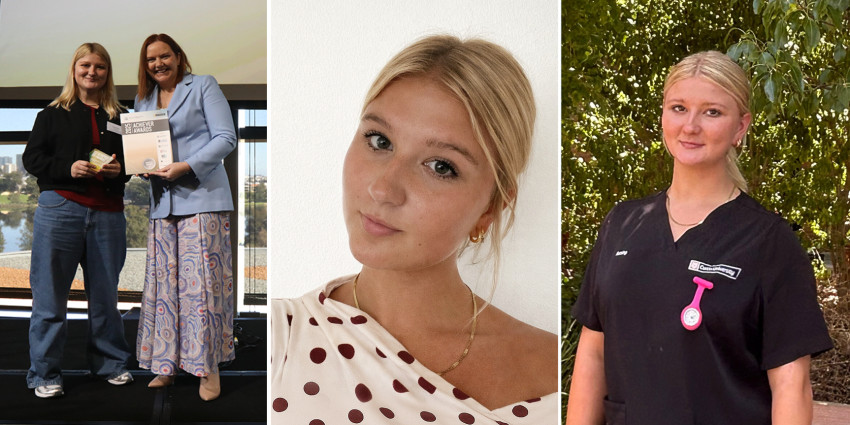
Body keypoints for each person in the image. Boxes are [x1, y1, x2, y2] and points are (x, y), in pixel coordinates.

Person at [269, 35, 558, 424]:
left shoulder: (554, 372)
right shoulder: (279, 341)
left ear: (490, 207)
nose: (383, 189)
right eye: (379, 140)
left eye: (441, 166)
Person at [567, 51, 834, 425]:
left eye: (712, 112)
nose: (690, 126)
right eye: (678, 107)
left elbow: (791, 384)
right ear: (663, 115)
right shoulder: (622, 224)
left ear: (740, 127)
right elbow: (593, 353)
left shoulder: (769, 243)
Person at [23, 42, 133, 398]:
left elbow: (133, 166)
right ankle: (44, 375)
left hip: (108, 214)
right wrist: (67, 168)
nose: (92, 72)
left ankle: (110, 365)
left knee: (105, 299)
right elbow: (32, 160)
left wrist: (121, 170)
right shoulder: (52, 113)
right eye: (85, 65)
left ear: (107, 72)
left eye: (100, 66)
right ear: (74, 70)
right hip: (60, 211)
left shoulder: (122, 116)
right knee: (50, 299)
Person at [133, 33, 236, 402]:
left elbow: (226, 137)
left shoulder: (203, 85)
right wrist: (143, 168)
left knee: (202, 290)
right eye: (151, 60)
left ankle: (208, 369)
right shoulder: (142, 100)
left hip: (203, 198)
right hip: (163, 204)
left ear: (178, 57)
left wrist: (186, 166)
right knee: (165, 291)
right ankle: (166, 364)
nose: (158, 64)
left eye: (164, 56)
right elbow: (143, 151)